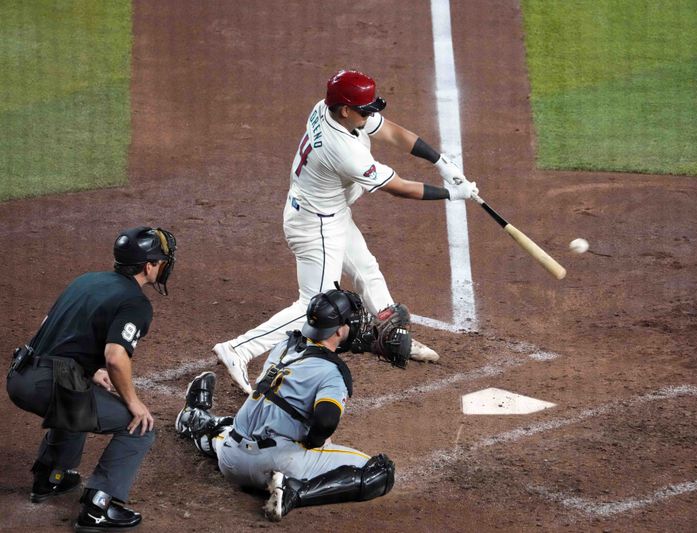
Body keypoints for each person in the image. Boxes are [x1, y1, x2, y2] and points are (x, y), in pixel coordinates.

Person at [214, 69, 479, 393]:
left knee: (366, 268)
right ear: (345, 110)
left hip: (330, 213)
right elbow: (400, 188)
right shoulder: (344, 150)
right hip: (315, 226)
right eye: (364, 109)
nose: (370, 114)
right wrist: (453, 194)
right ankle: (239, 349)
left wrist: (441, 162)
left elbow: (392, 132)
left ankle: (391, 334)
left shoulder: (330, 109)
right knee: (315, 304)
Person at [6, 226, 176, 532]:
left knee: (77, 392)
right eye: (161, 260)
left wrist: (89, 369)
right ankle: (99, 507)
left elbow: (50, 325)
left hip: (20, 376)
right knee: (139, 427)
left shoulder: (86, 280)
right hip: (50, 385)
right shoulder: (135, 302)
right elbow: (115, 356)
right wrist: (134, 403)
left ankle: (50, 478)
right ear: (149, 265)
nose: (163, 265)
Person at [176, 288, 397, 522]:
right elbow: (326, 421)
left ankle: (194, 418)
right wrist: (314, 443)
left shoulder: (286, 344)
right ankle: (294, 493)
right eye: (350, 321)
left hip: (230, 460)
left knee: (234, 427)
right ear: (340, 330)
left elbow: (319, 349)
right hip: (276, 461)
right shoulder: (333, 373)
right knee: (380, 472)